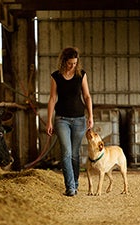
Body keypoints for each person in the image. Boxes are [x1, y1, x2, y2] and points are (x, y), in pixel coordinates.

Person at [46, 47, 94, 196]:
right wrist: (49, 121)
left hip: (79, 119)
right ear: (63, 61)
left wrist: (91, 116)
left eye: (75, 63)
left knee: (74, 154)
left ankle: (76, 183)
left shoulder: (81, 75)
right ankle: (70, 187)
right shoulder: (56, 76)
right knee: (66, 152)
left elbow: (87, 97)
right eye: (70, 63)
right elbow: (53, 98)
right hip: (62, 119)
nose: (72, 66)